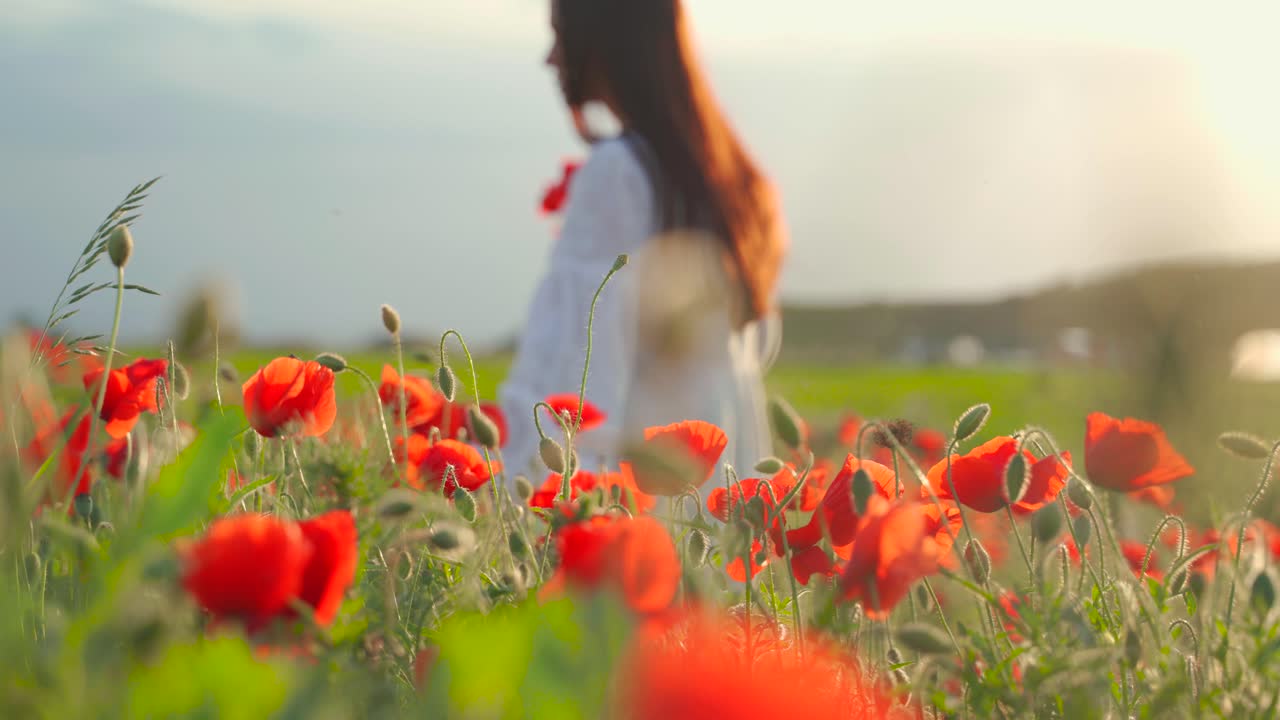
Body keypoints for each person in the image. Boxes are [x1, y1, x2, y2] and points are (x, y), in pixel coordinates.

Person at [498, 0, 788, 482]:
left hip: (639, 513)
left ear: (605, 41)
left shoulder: (619, 173)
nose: (551, 59)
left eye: (560, 36)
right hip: (713, 499)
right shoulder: (724, 182)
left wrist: (527, 490)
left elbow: (575, 373)